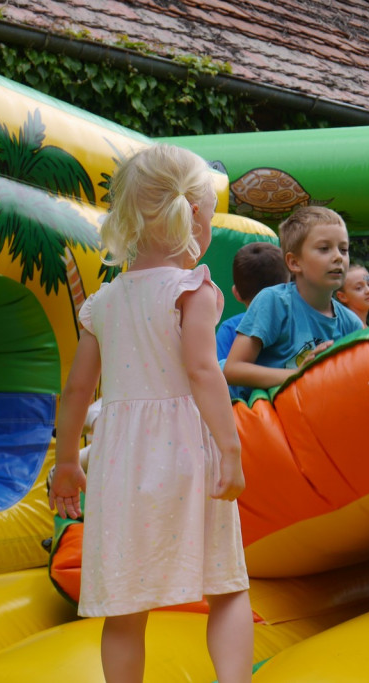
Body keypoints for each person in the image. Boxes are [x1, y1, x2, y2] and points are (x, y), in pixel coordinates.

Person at [49, 144, 253, 683]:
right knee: (227, 587)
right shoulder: (193, 289)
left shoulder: (102, 303)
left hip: (120, 464)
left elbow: (76, 391)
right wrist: (230, 449)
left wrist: (67, 463)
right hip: (188, 453)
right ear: (194, 222)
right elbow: (205, 373)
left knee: (125, 608)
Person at [223, 206, 363, 391]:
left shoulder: (351, 323)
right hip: (265, 416)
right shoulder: (275, 302)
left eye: (343, 249)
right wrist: (300, 375)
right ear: (294, 262)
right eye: (324, 248)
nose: (338, 257)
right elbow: (233, 369)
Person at [216, 241, 289, 361]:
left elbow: (219, 373)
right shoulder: (297, 325)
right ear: (287, 286)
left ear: (236, 293)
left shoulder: (230, 329)